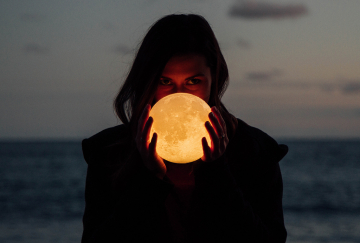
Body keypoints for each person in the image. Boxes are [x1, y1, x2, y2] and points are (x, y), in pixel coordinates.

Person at [81, 14, 288, 243]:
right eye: (165, 81)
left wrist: (216, 172)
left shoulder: (255, 152)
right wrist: (149, 180)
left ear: (214, 79)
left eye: (193, 82)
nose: (179, 97)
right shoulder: (108, 154)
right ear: (147, 81)